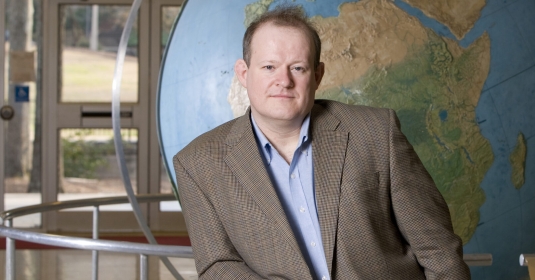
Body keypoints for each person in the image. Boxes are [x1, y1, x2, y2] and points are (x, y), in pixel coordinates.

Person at [173, 6, 471, 280]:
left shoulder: (376, 133)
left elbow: (439, 251)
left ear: (317, 75)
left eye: (298, 68)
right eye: (268, 67)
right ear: (243, 73)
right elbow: (217, 265)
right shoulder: (198, 163)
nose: (284, 81)